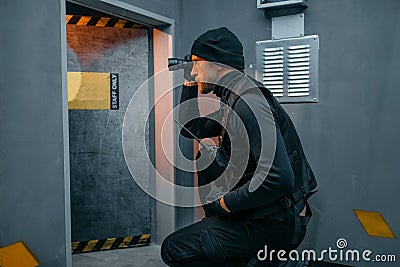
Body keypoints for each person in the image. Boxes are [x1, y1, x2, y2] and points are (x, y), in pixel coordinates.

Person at [161, 27, 317, 267]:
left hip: (277, 223)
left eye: (196, 63)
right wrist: (188, 81)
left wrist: (224, 204)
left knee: (175, 248)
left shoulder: (248, 102)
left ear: (218, 64)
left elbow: (279, 178)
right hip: (263, 215)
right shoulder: (232, 100)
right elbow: (190, 127)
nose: (193, 71)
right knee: (208, 157)